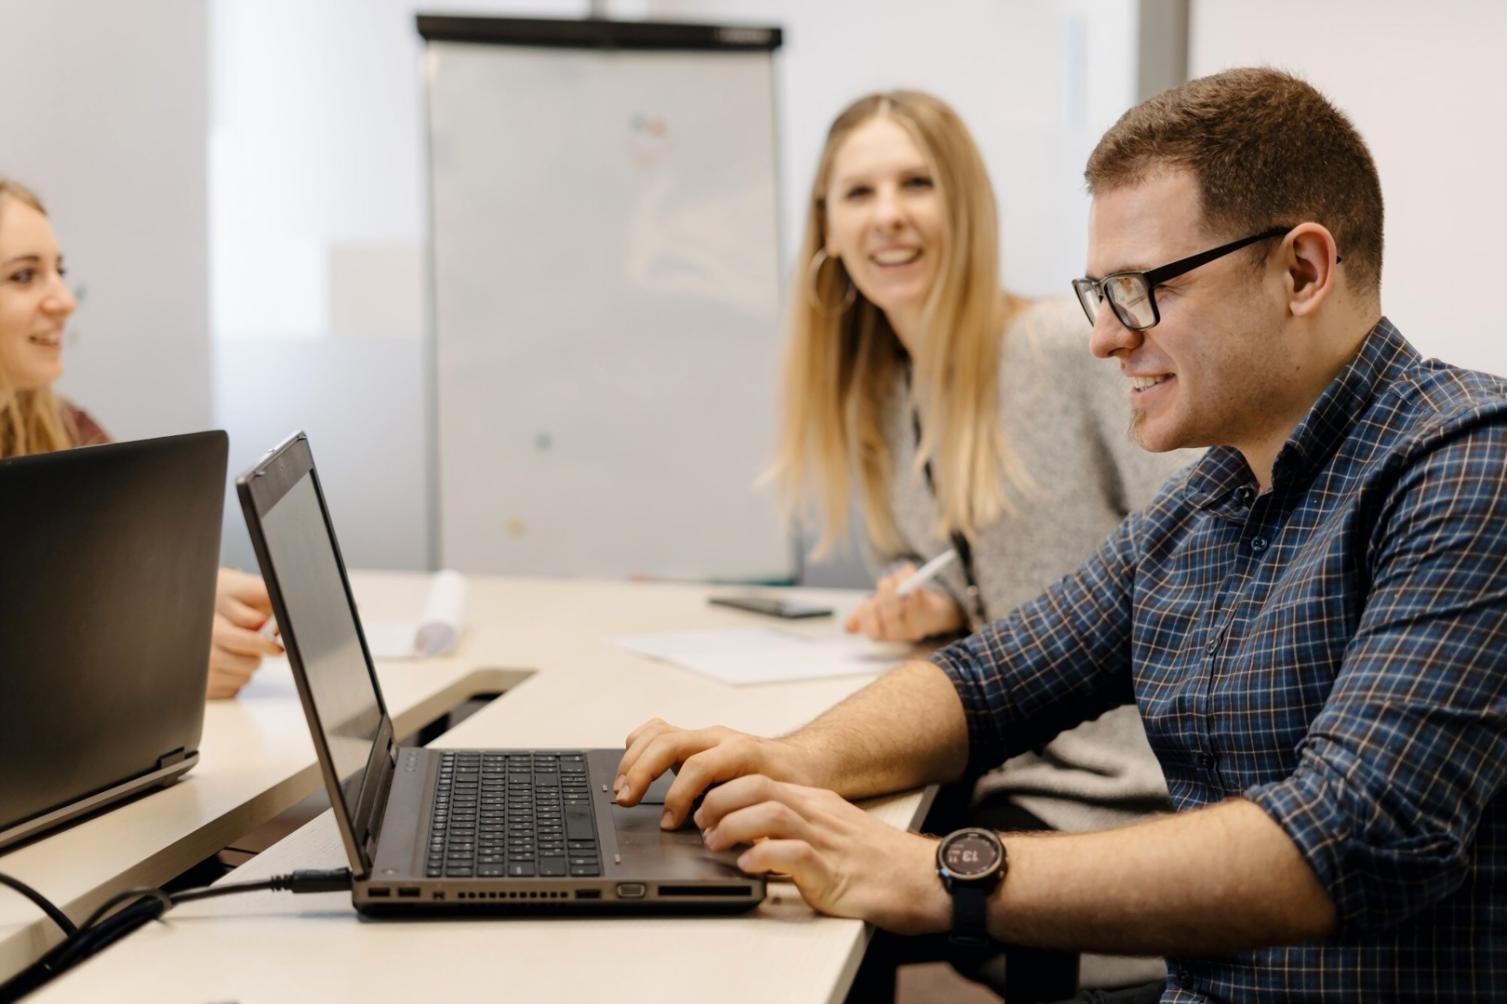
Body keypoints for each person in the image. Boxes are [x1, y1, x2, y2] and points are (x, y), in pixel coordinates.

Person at [614, 67, 1507, 1002]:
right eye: (1101, 295)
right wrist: (788, 759)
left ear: (1300, 271)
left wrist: (929, 874)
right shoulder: (1212, 500)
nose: (1104, 339)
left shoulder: (1462, 466)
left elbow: (1350, 839)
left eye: (1141, 290)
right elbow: (990, 680)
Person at [768, 90, 1190, 995]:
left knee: (807, 905)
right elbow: (1027, 554)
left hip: (1118, 787)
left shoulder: (1055, 347)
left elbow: (1199, 540)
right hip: (1012, 759)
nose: (889, 214)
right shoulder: (884, 391)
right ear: (826, 230)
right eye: (859, 192)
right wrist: (950, 600)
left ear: (963, 205)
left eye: (916, 183)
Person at [0, 177, 279, 699]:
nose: (63, 300)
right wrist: (151, 654)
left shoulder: (66, 432)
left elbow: (97, 586)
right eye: (23, 276)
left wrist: (196, 596)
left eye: (57, 272)